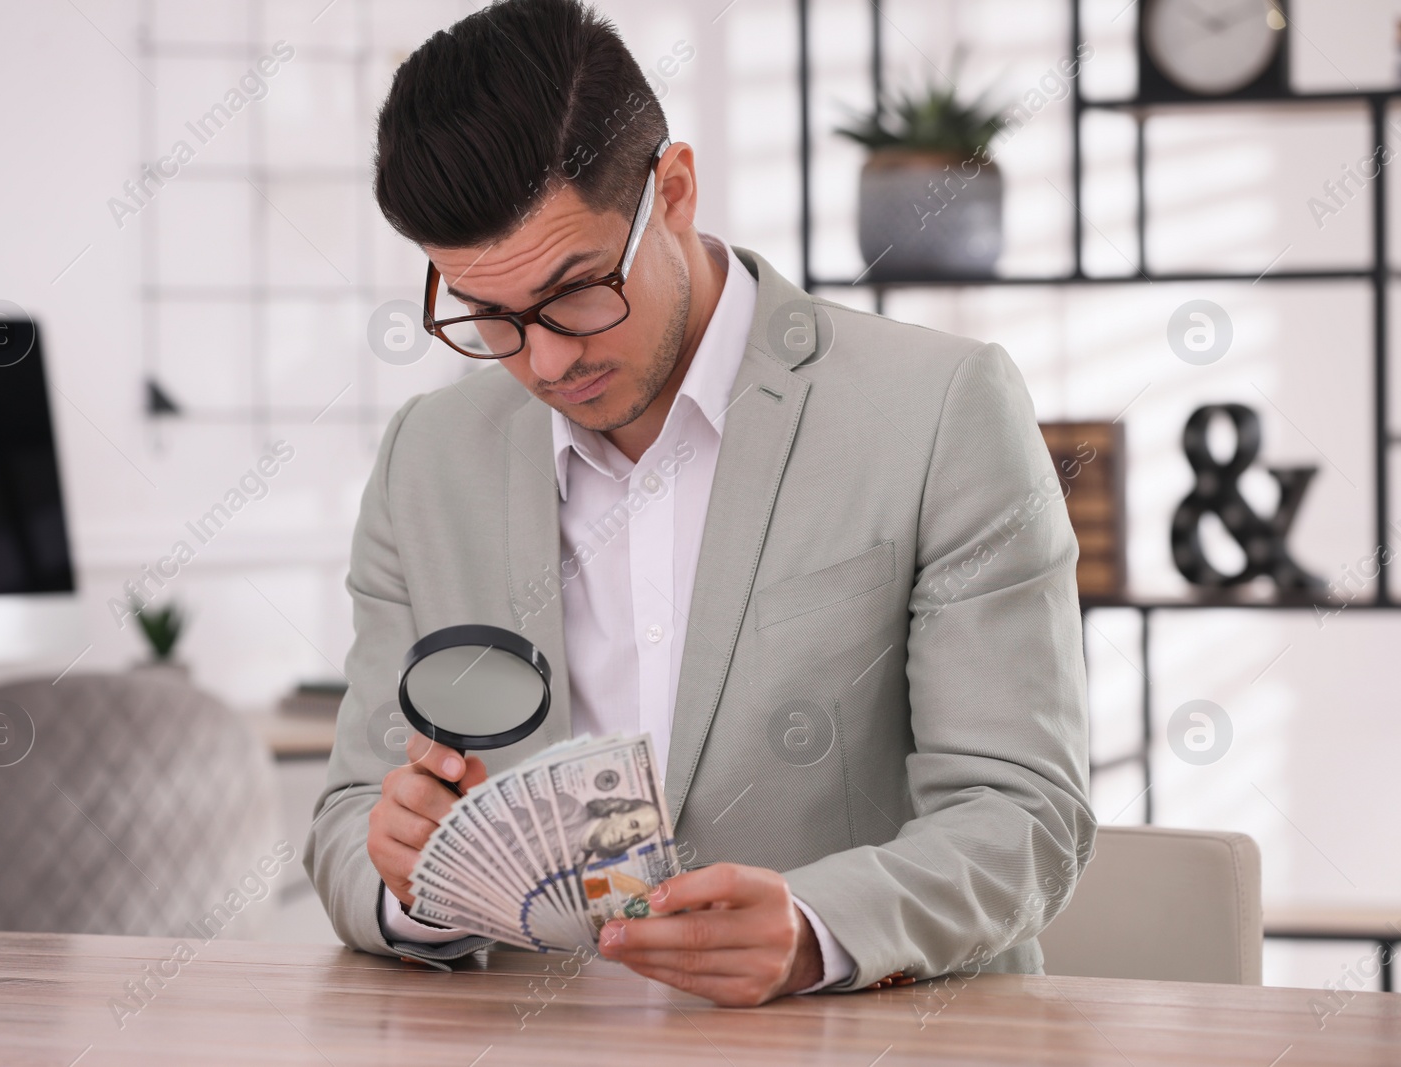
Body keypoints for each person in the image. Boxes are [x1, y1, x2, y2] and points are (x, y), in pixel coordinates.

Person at [305, 0, 1095, 1008]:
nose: (544, 359)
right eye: (488, 317)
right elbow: (342, 825)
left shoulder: (939, 409)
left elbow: (1024, 811)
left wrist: (815, 929)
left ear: (672, 189)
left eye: (578, 289)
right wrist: (406, 869)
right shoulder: (428, 457)